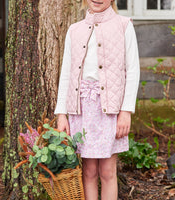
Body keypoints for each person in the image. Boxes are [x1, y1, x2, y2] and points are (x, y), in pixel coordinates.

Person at [54, 0, 140, 199]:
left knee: (108, 172)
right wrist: (61, 114)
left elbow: (133, 70)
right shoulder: (74, 30)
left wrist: (126, 111)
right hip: (81, 108)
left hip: (110, 109)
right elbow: (65, 73)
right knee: (89, 171)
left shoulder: (124, 25)